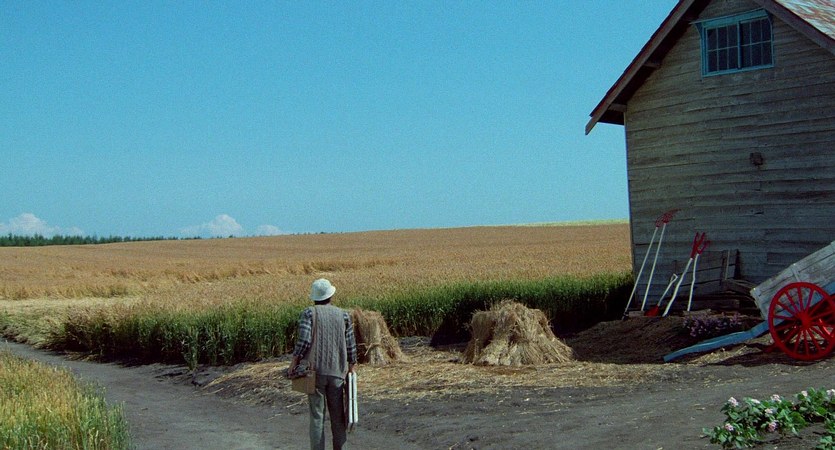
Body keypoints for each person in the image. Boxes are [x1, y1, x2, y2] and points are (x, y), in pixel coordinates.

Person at [290, 278, 358, 450]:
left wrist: (294, 362)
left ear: (314, 297)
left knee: (317, 417)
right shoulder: (343, 315)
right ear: (331, 296)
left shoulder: (309, 313)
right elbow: (351, 344)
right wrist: (352, 366)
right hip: (337, 372)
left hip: (314, 374)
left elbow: (304, 341)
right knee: (338, 417)